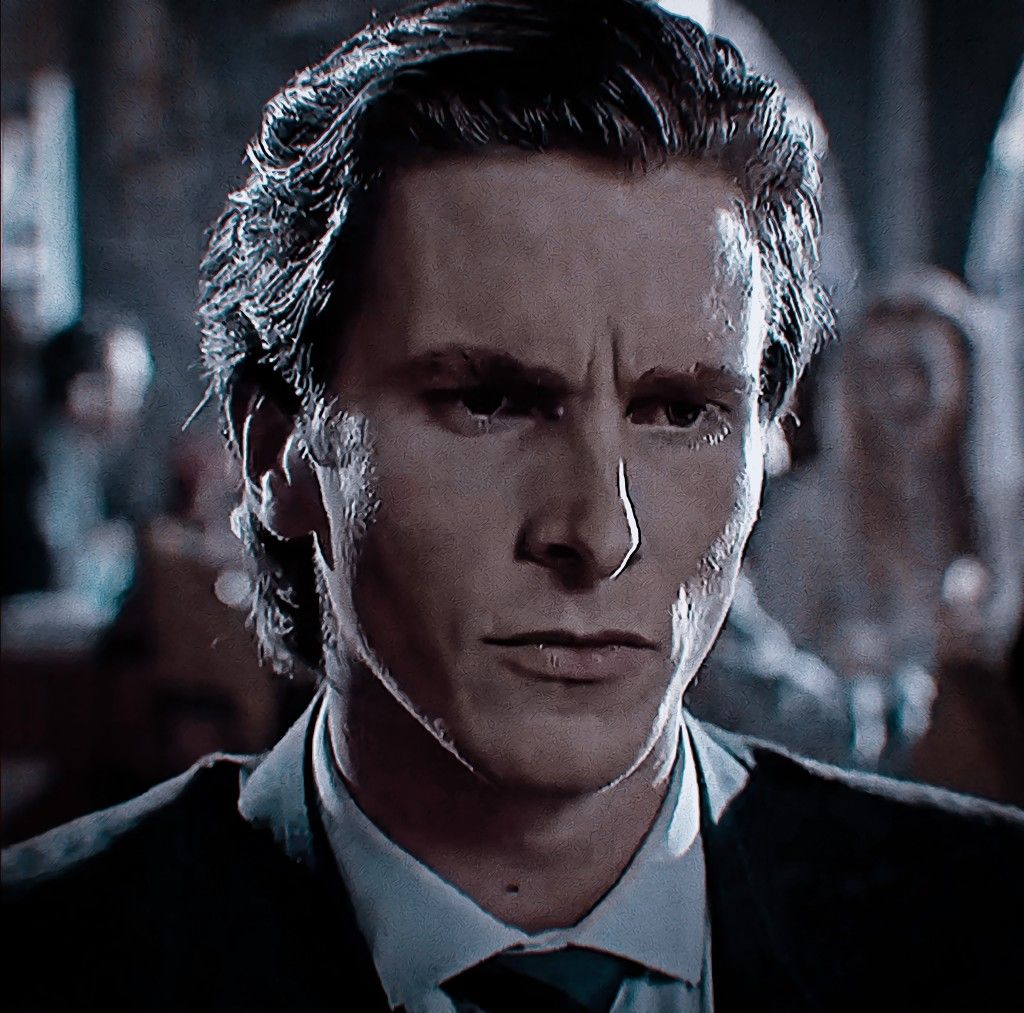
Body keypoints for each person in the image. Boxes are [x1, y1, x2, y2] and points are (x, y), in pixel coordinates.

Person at [4, 3, 1021, 1010]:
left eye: (679, 411)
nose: (599, 531)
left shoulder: (983, 925)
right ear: (280, 452)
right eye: (488, 401)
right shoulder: (55, 956)